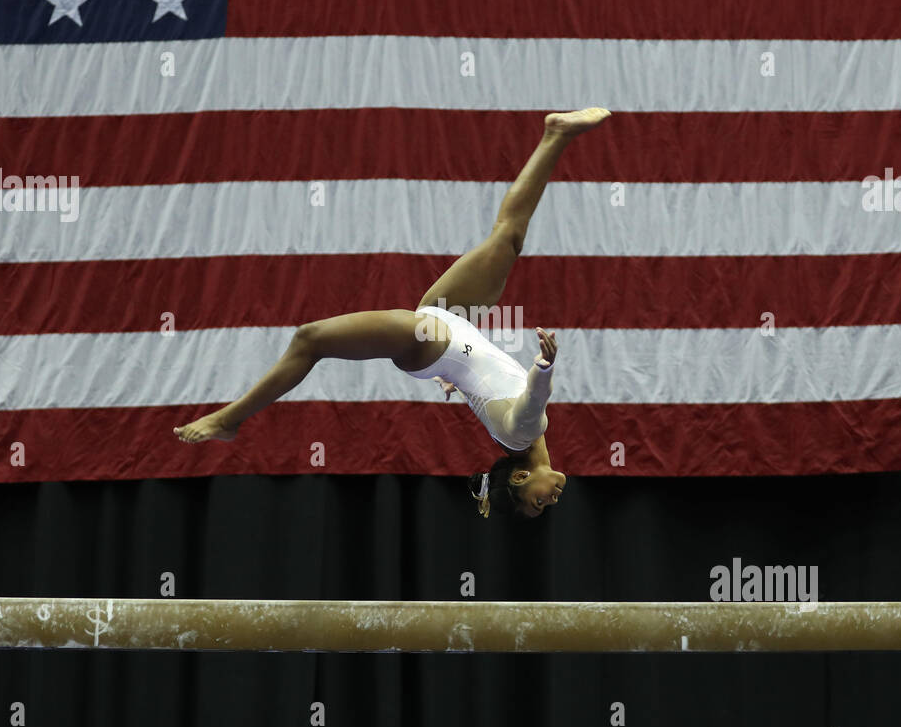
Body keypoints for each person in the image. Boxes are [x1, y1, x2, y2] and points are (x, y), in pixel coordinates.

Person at [174, 107, 612, 518]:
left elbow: (534, 397)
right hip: (451, 327)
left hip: (433, 344)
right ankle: (555, 134)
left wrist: (543, 364)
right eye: (543, 508)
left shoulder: (521, 434)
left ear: (520, 476)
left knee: (311, 338)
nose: (549, 502)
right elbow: (493, 385)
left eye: (536, 504)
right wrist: (461, 383)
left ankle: (229, 419)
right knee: (508, 238)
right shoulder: (521, 435)